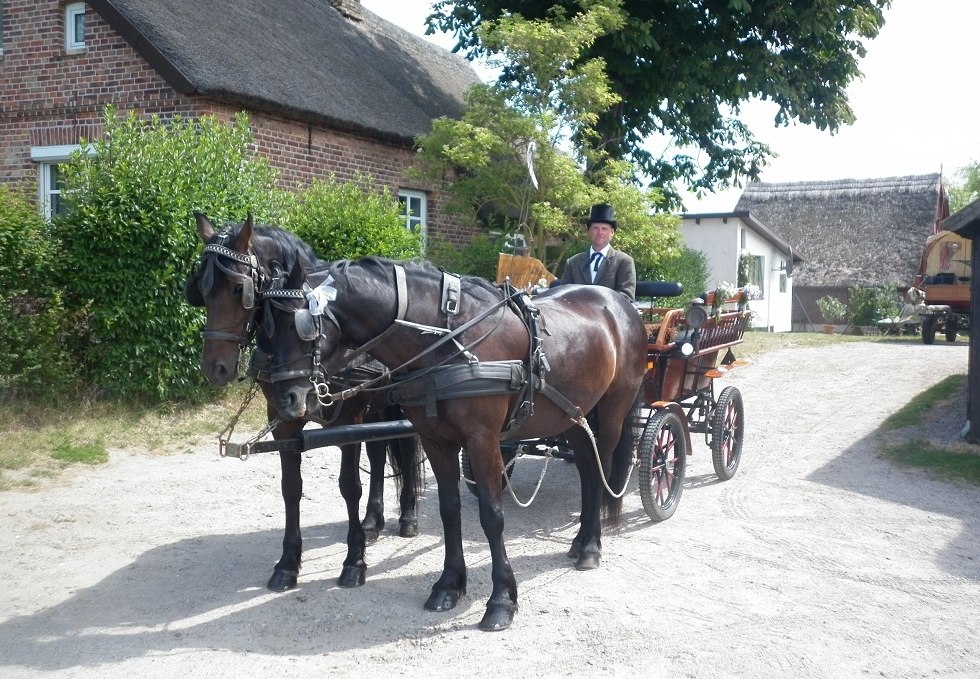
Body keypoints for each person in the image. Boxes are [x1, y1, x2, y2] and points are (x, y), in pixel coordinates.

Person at [557, 203, 636, 300]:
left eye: (604, 229)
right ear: (588, 231)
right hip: (577, 314)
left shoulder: (624, 261)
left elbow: (626, 296)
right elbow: (563, 295)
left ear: (612, 232)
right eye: (596, 228)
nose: (600, 233)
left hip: (609, 314)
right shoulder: (573, 263)